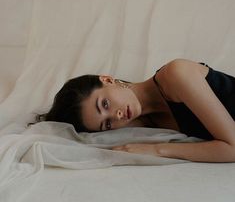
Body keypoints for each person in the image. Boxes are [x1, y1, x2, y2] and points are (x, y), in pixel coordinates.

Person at [31, 59, 235, 163]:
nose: (116, 117)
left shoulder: (176, 74)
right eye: (107, 123)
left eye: (105, 105)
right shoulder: (145, 121)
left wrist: (158, 150)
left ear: (108, 80)